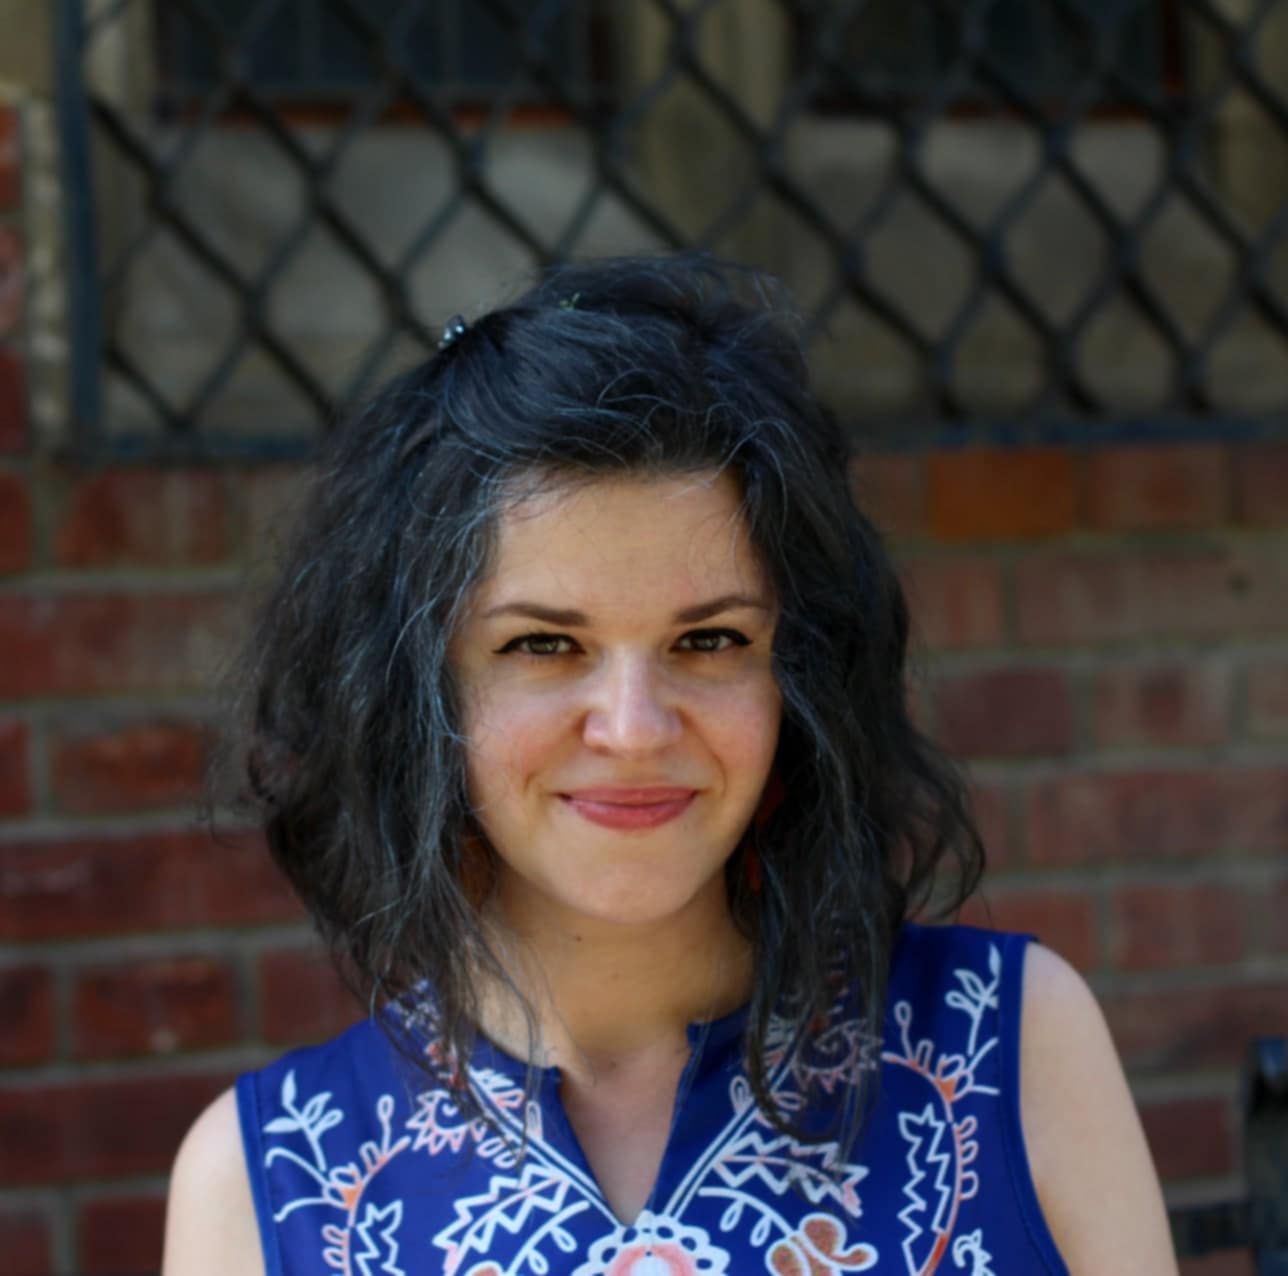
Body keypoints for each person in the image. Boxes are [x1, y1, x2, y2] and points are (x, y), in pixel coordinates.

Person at [162, 254, 1177, 1275]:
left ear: (801, 680)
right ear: (414, 696)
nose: (635, 727)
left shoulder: (1006, 1049)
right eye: (543, 645)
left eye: (710, 640)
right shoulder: (263, 1183)